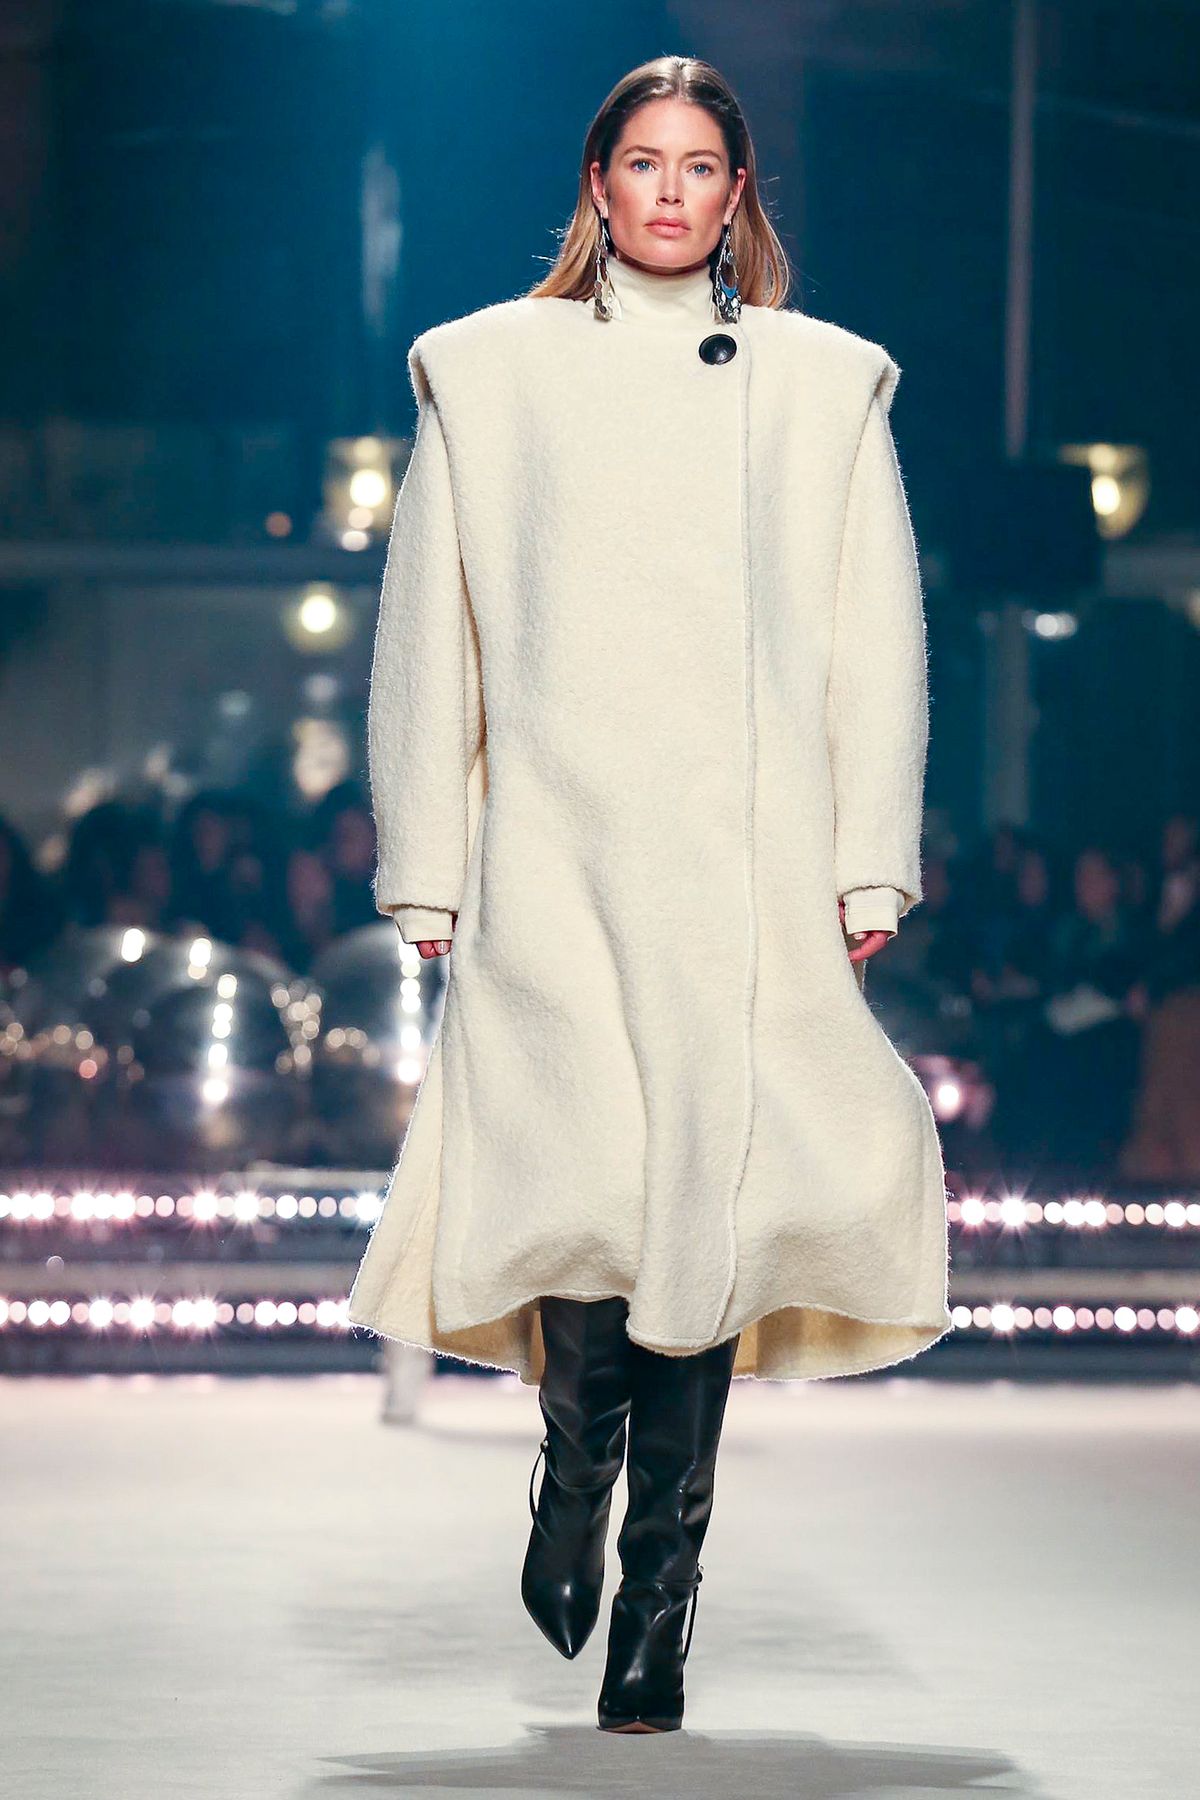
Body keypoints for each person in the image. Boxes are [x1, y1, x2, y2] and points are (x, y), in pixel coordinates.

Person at [348, 55, 950, 1733]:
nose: (671, 192)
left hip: (738, 858)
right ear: (597, 185)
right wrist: (427, 860)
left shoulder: (825, 385)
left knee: (701, 1209)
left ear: (738, 193)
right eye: (642, 163)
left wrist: (867, 855)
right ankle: (570, 1475)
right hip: (550, 838)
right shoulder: (488, 371)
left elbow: (874, 640)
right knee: (575, 1181)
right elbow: (431, 631)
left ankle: (659, 1603)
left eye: (700, 166)